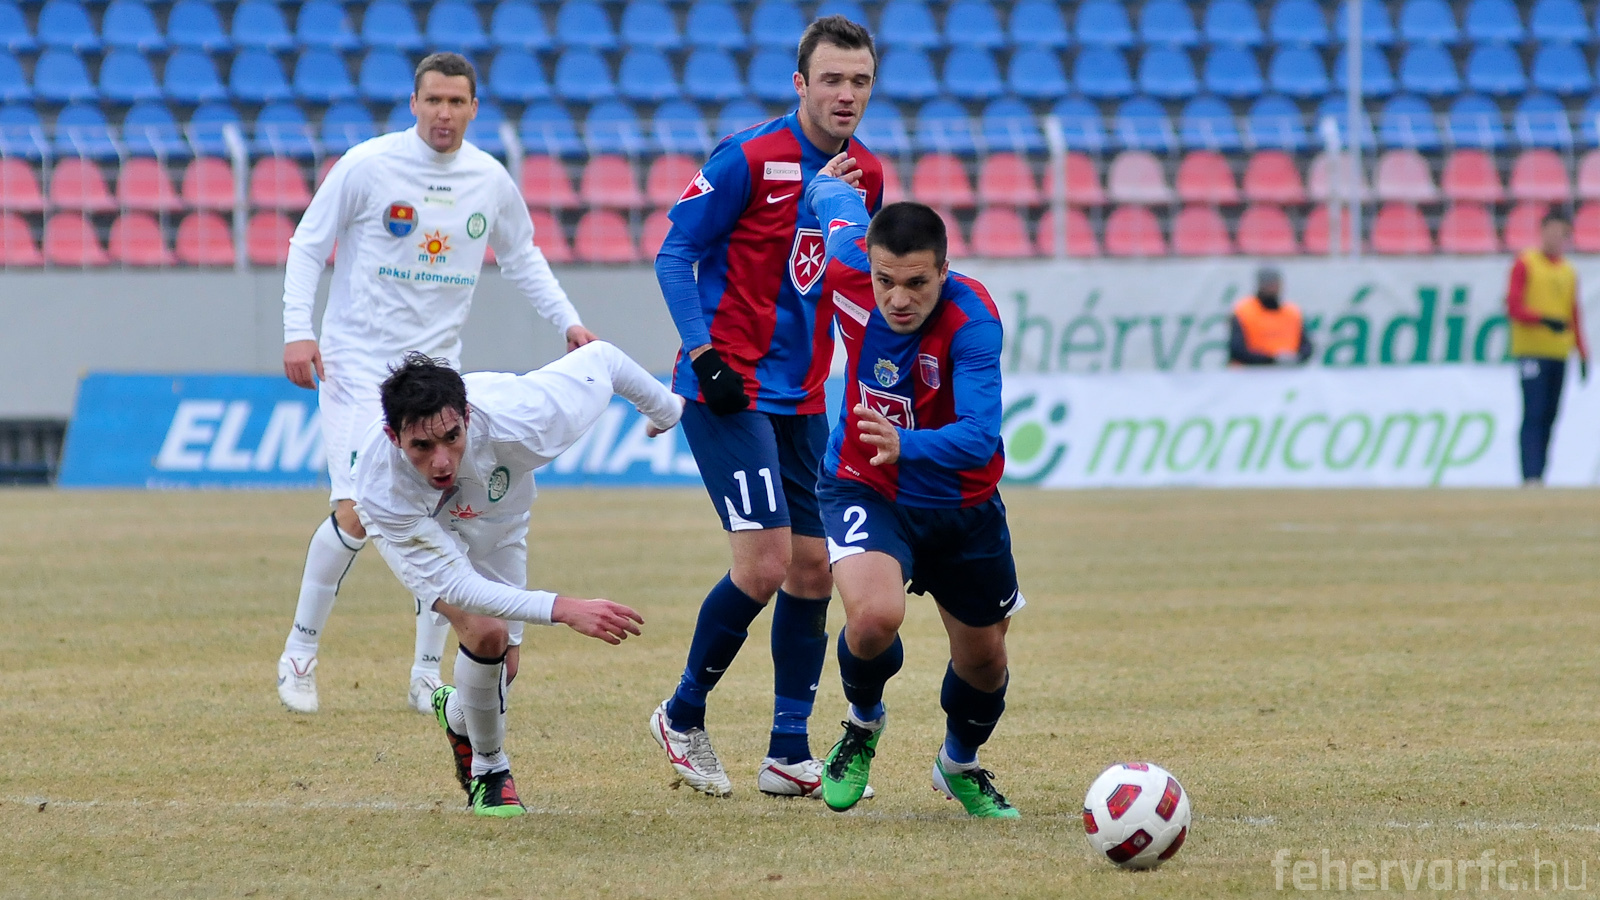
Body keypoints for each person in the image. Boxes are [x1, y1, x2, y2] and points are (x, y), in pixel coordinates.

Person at [277, 51, 597, 716]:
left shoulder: (488, 178)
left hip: (436, 377)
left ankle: (426, 674)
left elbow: (522, 255)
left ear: (473, 108)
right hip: (358, 367)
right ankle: (300, 652)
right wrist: (296, 331)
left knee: (447, 521)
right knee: (357, 510)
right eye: (433, 101)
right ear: (414, 104)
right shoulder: (368, 165)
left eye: (456, 102)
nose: (444, 113)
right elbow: (309, 244)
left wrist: (568, 320)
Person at [647, 15, 885, 799]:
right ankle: (681, 714)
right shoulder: (748, 157)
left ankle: (788, 752)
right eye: (832, 79)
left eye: (859, 81)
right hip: (729, 386)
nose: (846, 94)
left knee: (814, 569)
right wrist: (703, 353)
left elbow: (852, 279)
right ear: (800, 83)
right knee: (766, 564)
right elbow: (675, 253)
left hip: (804, 395)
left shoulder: (866, 175)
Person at [354, 344, 682, 816]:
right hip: (423, 525)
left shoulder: (527, 416)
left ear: (468, 416)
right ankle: (490, 770)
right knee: (486, 631)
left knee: (503, 668)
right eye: (422, 446)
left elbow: (604, 360)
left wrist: (666, 410)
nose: (441, 461)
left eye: (452, 437)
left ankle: (457, 714)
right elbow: (460, 587)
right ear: (393, 436)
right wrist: (562, 608)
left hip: (500, 524)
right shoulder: (382, 487)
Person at [802, 162, 1024, 818]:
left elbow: (979, 437)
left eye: (917, 283)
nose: (898, 298)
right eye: (886, 281)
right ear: (869, 266)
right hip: (864, 484)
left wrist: (909, 444)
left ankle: (958, 763)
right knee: (874, 618)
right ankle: (862, 724)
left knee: (985, 662)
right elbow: (831, 201)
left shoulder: (973, 320)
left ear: (944, 271)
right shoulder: (848, 262)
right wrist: (826, 177)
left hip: (961, 504)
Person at [1506, 211, 1590, 485]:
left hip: (1558, 353)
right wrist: (1543, 320)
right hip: (1531, 351)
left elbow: (1574, 314)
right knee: (1534, 412)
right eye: (1551, 231)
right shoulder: (1525, 263)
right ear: (1541, 232)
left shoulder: (1568, 272)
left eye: (1561, 233)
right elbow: (1513, 306)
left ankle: (1540, 474)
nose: (1555, 238)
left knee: (1550, 416)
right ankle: (1530, 475)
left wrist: (1583, 352)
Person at [1228, 266, 1313, 367]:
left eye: (1275, 284)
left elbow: (1306, 346)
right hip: (1250, 372)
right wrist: (1271, 359)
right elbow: (1237, 350)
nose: (1273, 288)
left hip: (1287, 371)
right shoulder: (1243, 311)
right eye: (1269, 284)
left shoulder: (1293, 312)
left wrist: (1295, 357)